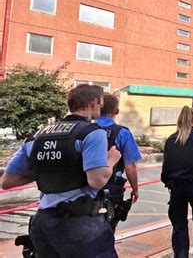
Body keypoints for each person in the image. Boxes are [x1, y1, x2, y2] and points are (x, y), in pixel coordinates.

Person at [1, 84, 121, 257]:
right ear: (94, 103)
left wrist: (51, 168)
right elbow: (97, 180)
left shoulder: (37, 136)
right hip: (81, 226)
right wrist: (111, 160)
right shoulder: (91, 133)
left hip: (42, 223)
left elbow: (8, 181)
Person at [161, 106, 193, 258]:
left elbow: (166, 169)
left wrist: (170, 183)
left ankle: (180, 254)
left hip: (176, 188)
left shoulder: (171, 139)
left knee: (179, 225)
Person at [96, 93, 142, 232]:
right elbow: (130, 166)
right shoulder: (122, 133)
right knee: (107, 231)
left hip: (84, 187)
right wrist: (135, 189)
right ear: (116, 111)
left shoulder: (85, 129)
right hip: (110, 188)